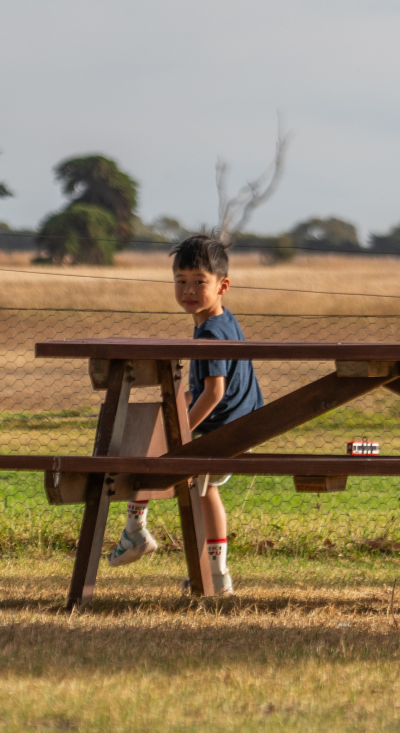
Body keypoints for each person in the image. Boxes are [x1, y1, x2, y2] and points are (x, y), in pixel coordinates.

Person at [106, 232, 264, 595]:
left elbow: (214, 392)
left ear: (223, 285)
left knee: (153, 454)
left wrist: (181, 433)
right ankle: (216, 572)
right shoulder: (224, 322)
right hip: (242, 428)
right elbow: (200, 387)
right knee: (202, 488)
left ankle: (135, 531)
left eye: (199, 282)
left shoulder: (208, 334)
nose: (188, 290)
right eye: (181, 281)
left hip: (219, 432)